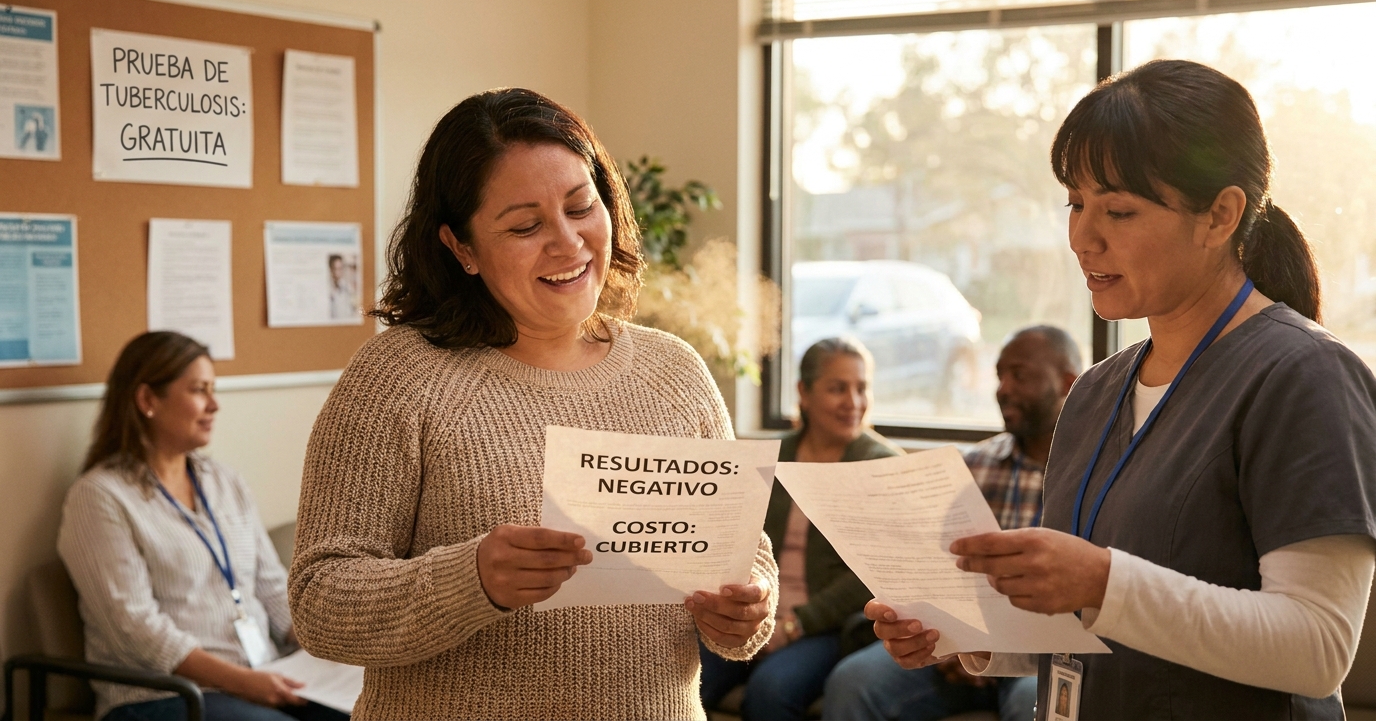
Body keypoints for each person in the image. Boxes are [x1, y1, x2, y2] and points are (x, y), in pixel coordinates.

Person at [868, 59, 1376, 719]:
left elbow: (1316, 648)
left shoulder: (1305, 376)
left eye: (1119, 210)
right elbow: (1091, 624)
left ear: (1220, 215)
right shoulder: (1096, 392)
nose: (1083, 237)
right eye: (1075, 204)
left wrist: (1100, 580)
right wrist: (965, 634)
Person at [287, 88, 776, 720]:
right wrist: (474, 580)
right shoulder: (399, 378)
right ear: (461, 248)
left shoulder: (675, 373)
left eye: (581, 206)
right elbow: (319, 603)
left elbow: (742, 553)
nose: (568, 243)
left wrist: (746, 607)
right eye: (525, 226)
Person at [57, 331, 348, 721]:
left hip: (263, 676)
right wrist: (242, 682)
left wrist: (329, 651)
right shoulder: (99, 497)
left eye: (213, 389)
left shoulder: (224, 482)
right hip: (162, 696)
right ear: (147, 400)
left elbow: (272, 588)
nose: (214, 405)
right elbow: (135, 630)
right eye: (199, 390)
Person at [824, 326, 1081, 721]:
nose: (1003, 388)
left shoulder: (1094, 475)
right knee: (852, 681)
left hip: (1042, 651)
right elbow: (934, 570)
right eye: (999, 375)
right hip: (952, 641)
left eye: (1020, 375)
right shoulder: (970, 466)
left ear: (1068, 383)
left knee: (1036, 701)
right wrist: (954, 642)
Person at [699, 337, 904, 720]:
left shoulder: (881, 464)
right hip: (755, 614)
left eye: (862, 388)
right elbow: (732, 542)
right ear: (803, 393)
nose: (853, 402)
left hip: (829, 628)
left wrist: (793, 626)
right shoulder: (770, 456)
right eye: (837, 388)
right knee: (685, 672)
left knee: (771, 689)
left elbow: (868, 575)